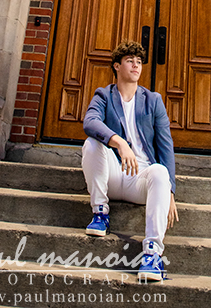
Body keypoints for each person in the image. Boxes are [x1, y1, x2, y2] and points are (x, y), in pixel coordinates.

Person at [82, 40, 179, 281]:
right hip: (113, 174)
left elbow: (166, 146)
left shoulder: (153, 100)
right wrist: (119, 142)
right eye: (129, 61)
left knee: (159, 171)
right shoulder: (104, 95)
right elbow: (90, 122)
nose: (136, 66)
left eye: (139, 62)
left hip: (141, 180)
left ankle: (152, 255)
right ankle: (100, 212)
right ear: (116, 66)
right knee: (92, 143)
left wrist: (170, 191)